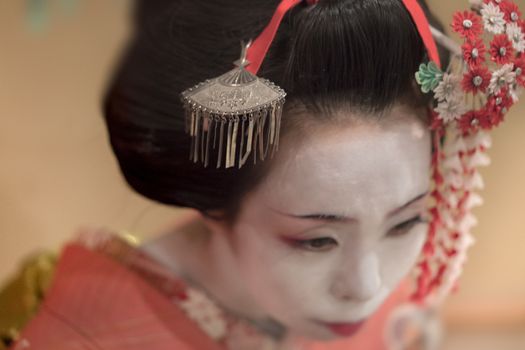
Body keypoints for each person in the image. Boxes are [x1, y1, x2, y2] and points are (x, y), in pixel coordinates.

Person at [1, 0, 523, 349]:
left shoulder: (365, 310)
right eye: (317, 240)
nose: (369, 285)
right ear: (214, 198)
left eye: (406, 223)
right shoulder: (88, 334)